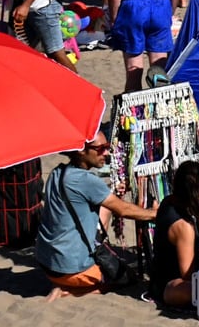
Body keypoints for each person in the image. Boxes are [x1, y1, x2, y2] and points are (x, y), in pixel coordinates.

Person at [35, 128, 157, 298]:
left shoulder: (58, 173)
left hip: (47, 263)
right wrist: (153, 213)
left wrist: (111, 190)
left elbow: (88, 197)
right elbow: (123, 209)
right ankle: (71, 291)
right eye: (100, 149)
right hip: (70, 268)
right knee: (127, 278)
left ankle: (67, 283)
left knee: (106, 207)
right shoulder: (86, 180)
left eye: (107, 147)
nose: (106, 153)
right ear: (81, 152)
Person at [151, 160, 199, 310]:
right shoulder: (184, 227)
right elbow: (188, 275)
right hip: (172, 285)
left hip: (163, 277)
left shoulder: (168, 201)